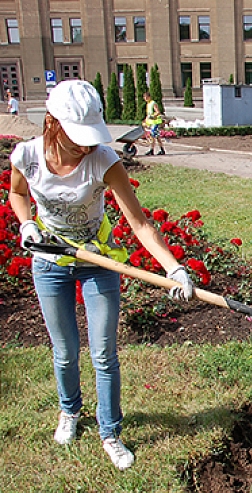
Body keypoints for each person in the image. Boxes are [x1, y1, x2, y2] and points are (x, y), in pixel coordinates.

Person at [8, 80, 194, 470]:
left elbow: (141, 224)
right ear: (53, 125)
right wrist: (26, 225)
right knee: (64, 351)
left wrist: (174, 268)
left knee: (104, 353)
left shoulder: (104, 160)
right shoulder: (26, 156)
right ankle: (70, 411)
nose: (86, 145)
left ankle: (110, 432)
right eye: (78, 138)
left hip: (99, 259)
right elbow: (18, 194)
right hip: (50, 262)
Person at [142, 91, 165, 156]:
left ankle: (151, 150)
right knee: (157, 137)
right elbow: (148, 114)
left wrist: (153, 116)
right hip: (152, 123)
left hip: (156, 122)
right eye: (144, 97)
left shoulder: (153, 103)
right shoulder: (148, 104)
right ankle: (162, 150)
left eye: (146, 97)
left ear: (149, 97)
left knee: (153, 136)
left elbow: (158, 112)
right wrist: (145, 120)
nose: (145, 98)